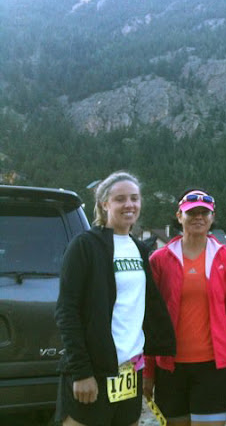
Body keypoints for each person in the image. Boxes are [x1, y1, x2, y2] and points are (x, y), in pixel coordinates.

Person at [55, 171, 175, 426]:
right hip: (93, 370)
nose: (129, 204)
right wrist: (81, 372)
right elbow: (67, 311)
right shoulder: (84, 246)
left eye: (134, 198)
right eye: (120, 199)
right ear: (104, 204)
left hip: (130, 370)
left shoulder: (139, 249)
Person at [142, 189, 226, 426]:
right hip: (170, 367)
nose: (198, 217)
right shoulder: (160, 259)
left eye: (204, 213)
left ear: (212, 217)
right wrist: (148, 371)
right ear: (179, 216)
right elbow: (151, 319)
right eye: (192, 212)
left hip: (213, 365)